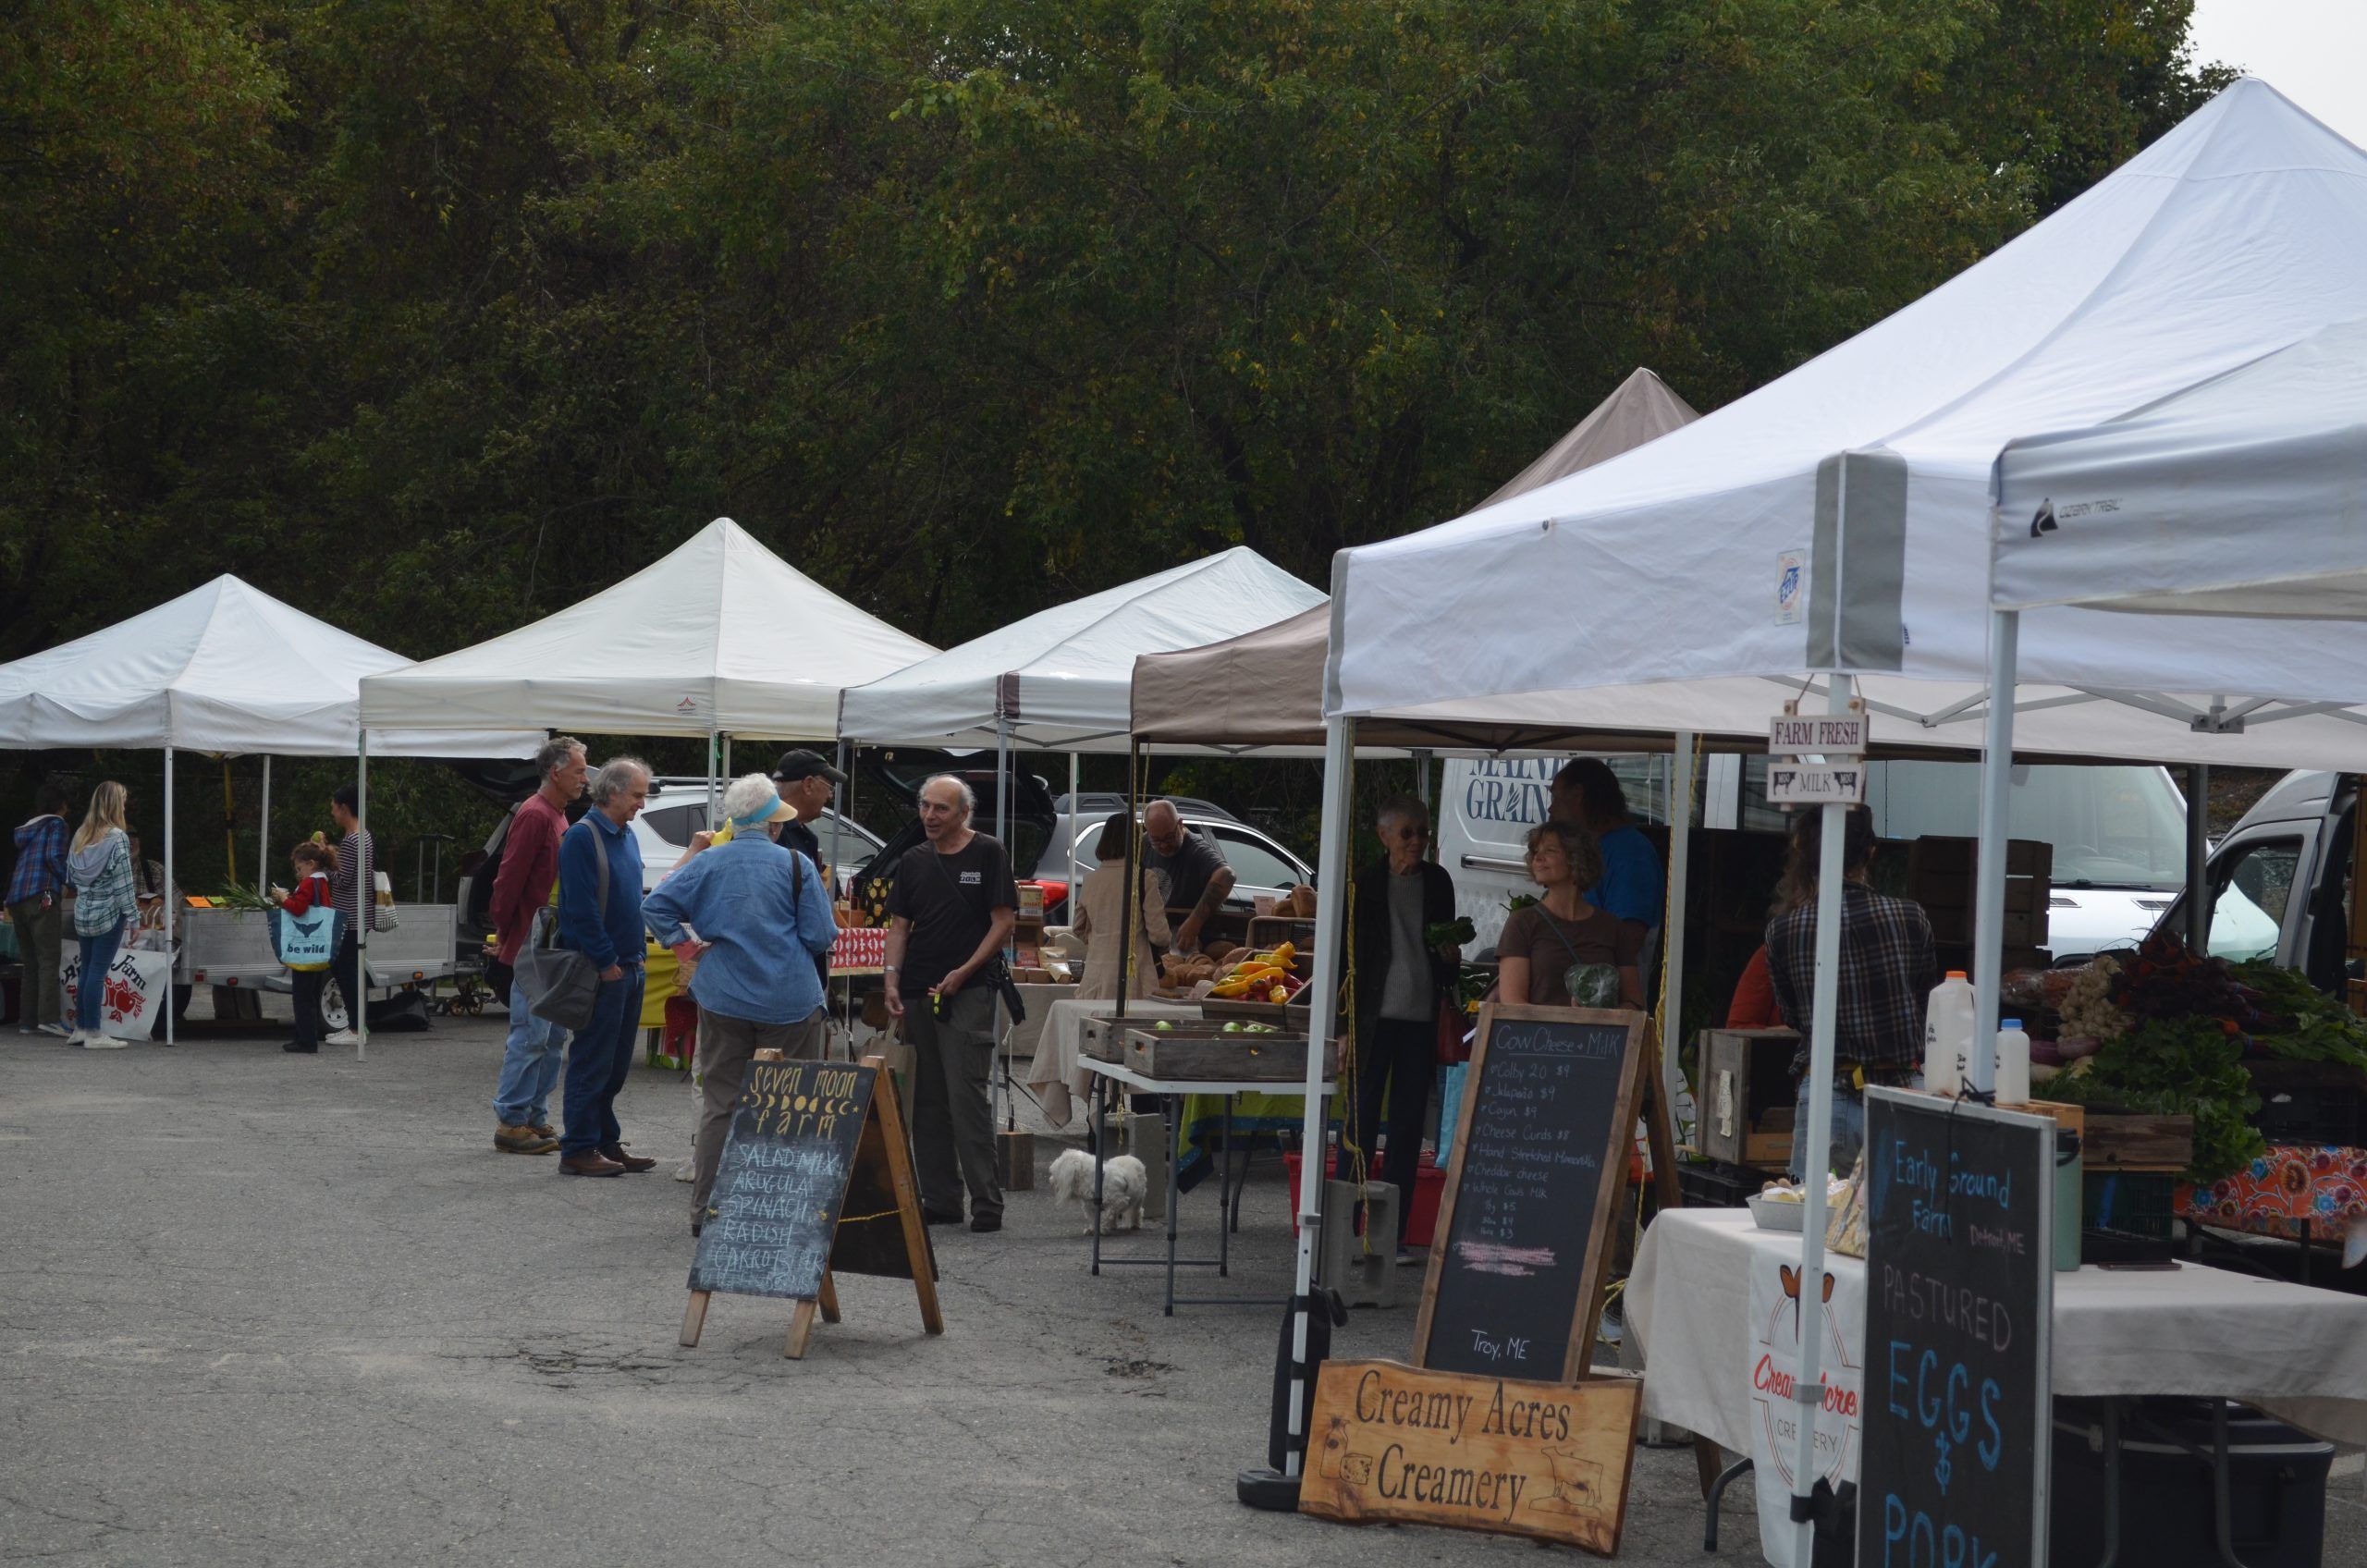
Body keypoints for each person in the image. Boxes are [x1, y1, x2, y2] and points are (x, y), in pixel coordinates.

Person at [644, 773, 839, 1235]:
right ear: (772, 824)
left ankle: (705, 1213)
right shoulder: (796, 864)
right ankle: (784, 1210)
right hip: (790, 1001)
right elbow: (819, 935)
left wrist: (687, 946)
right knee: (791, 1107)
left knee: (720, 1105)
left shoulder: (708, 861)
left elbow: (655, 908)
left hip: (724, 996)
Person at [1763, 806, 1935, 1181]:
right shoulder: (1910, 917)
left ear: (1805, 853)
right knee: (1906, 1223)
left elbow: (1793, 1015)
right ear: (1871, 852)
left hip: (1829, 1091)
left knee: (1815, 1226)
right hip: (1903, 1092)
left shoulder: (1784, 930)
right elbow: (1923, 1000)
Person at [882, 775, 1016, 1232]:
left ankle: (986, 1204)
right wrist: (891, 979)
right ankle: (940, 1199)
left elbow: (1004, 922)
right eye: (925, 806)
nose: (929, 816)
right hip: (920, 988)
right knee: (927, 1101)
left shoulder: (988, 852)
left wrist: (965, 971)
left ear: (964, 813)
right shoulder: (913, 860)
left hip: (971, 991)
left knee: (967, 1098)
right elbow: (899, 927)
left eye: (941, 809)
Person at [1343, 795, 1460, 1262]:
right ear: (1383, 835)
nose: (1416, 842)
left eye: (1423, 833)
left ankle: (1391, 1236)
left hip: (1420, 1018)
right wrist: (1343, 1026)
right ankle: (1350, 1231)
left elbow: (1444, 951)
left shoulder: (1438, 882)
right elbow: (1345, 958)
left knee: (1409, 1129)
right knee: (1361, 1124)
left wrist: (1449, 962)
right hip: (1372, 1019)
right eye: (1407, 833)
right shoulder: (1365, 884)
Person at [486, 736, 587, 1155]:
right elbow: (508, 881)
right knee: (531, 1035)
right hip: (533, 947)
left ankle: (534, 1115)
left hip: (550, 947)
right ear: (555, 772)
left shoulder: (557, 815)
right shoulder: (535, 815)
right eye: (580, 770)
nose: (585, 778)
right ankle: (512, 1120)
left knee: (550, 1037)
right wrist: (508, 934)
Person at [555, 758, 653, 1178]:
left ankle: (604, 1141)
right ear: (612, 792)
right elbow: (579, 909)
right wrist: (607, 961)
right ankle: (578, 1148)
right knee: (592, 1060)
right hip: (605, 970)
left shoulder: (626, 835)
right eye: (636, 795)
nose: (641, 804)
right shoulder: (581, 838)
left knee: (614, 1066)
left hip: (628, 966)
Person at [1496, 821, 1644, 1009]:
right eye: (1535, 851)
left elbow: (1634, 1002)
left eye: (1550, 851)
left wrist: (1600, 1017)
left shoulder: (1612, 927)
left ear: (1577, 859)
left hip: (1599, 1037)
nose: (1538, 857)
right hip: (1537, 1037)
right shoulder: (1522, 923)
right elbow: (1512, 1004)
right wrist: (1568, 1018)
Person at [1551, 759, 1664, 938]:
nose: (1551, 809)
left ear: (1578, 794)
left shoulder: (1630, 854)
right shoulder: (1595, 846)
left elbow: (1628, 936)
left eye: (1556, 797)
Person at [64, 782, 138, 1050]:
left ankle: (81, 1029)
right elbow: (123, 883)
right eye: (124, 800)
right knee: (97, 973)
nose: (126, 805)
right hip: (108, 914)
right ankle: (95, 1033)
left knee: (86, 971)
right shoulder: (118, 837)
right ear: (116, 804)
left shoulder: (81, 835)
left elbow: (70, 876)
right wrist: (133, 915)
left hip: (83, 912)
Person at [1069, 810, 1171, 1002]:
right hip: (1135, 977)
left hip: (1095, 975)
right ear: (1137, 842)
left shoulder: (1090, 880)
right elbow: (1160, 935)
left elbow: (1078, 927)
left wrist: (1100, 941)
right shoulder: (1144, 878)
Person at [771, 748, 849, 992]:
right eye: (829, 786)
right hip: (782, 976)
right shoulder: (769, 833)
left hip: (797, 975)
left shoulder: (805, 838)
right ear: (808, 784)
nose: (829, 796)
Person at [9, 779, 73, 1037]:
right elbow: (53, 857)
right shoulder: (57, 825)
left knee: (30, 962)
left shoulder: (27, 830)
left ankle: (27, 1020)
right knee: (49, 959)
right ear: (61, 805)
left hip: (17, 898)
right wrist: (70, 880)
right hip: (43, 894)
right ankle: (48, 1018)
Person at [1141, 800, 1234, 953]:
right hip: (1156, 935)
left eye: (1169, 837)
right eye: (1156, 840)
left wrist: (1194, 921)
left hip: (1192, 942)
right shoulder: (1144, 842)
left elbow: (1227, 875)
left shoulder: (1196, 850)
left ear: (1180, 824)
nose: (1163, 845)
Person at [325, 784, 375, 1048]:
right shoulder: (362, 835)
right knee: (349, 971)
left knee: (346, 972)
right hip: (359, 914)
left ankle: (357, 1028)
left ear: (345, 808)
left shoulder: (352, 839)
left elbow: (344, 881)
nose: (333, 814)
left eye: (334, 808)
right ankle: (356, 1026)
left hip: (350, 917)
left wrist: (323, 871)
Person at [278, 841, 337, 1054]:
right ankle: (308, 1037)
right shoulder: (323, 883)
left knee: (301, 995)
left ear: (311, 864)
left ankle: (305, 1040)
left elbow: (298, 908)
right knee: (311, 994)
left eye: (299, 868)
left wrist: (284, 899)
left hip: (305, 949)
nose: (298, 873)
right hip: (319, 947)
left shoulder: (308, 884)